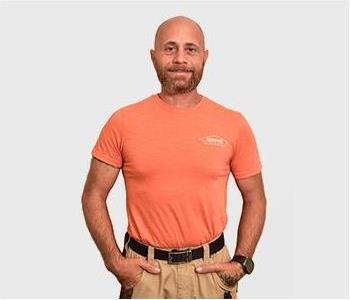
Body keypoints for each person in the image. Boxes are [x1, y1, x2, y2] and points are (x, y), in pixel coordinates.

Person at [81, 15, 267, 299]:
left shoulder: (233, 124)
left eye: (190, 49)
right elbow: (93, 194)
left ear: (204, 57)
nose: (180, 58)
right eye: (170, 48)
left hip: (210, 274)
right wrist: (114, 261)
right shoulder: (123, 122)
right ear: (153, 57)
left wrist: (242, 261)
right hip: (145, 276)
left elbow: (255, 197)